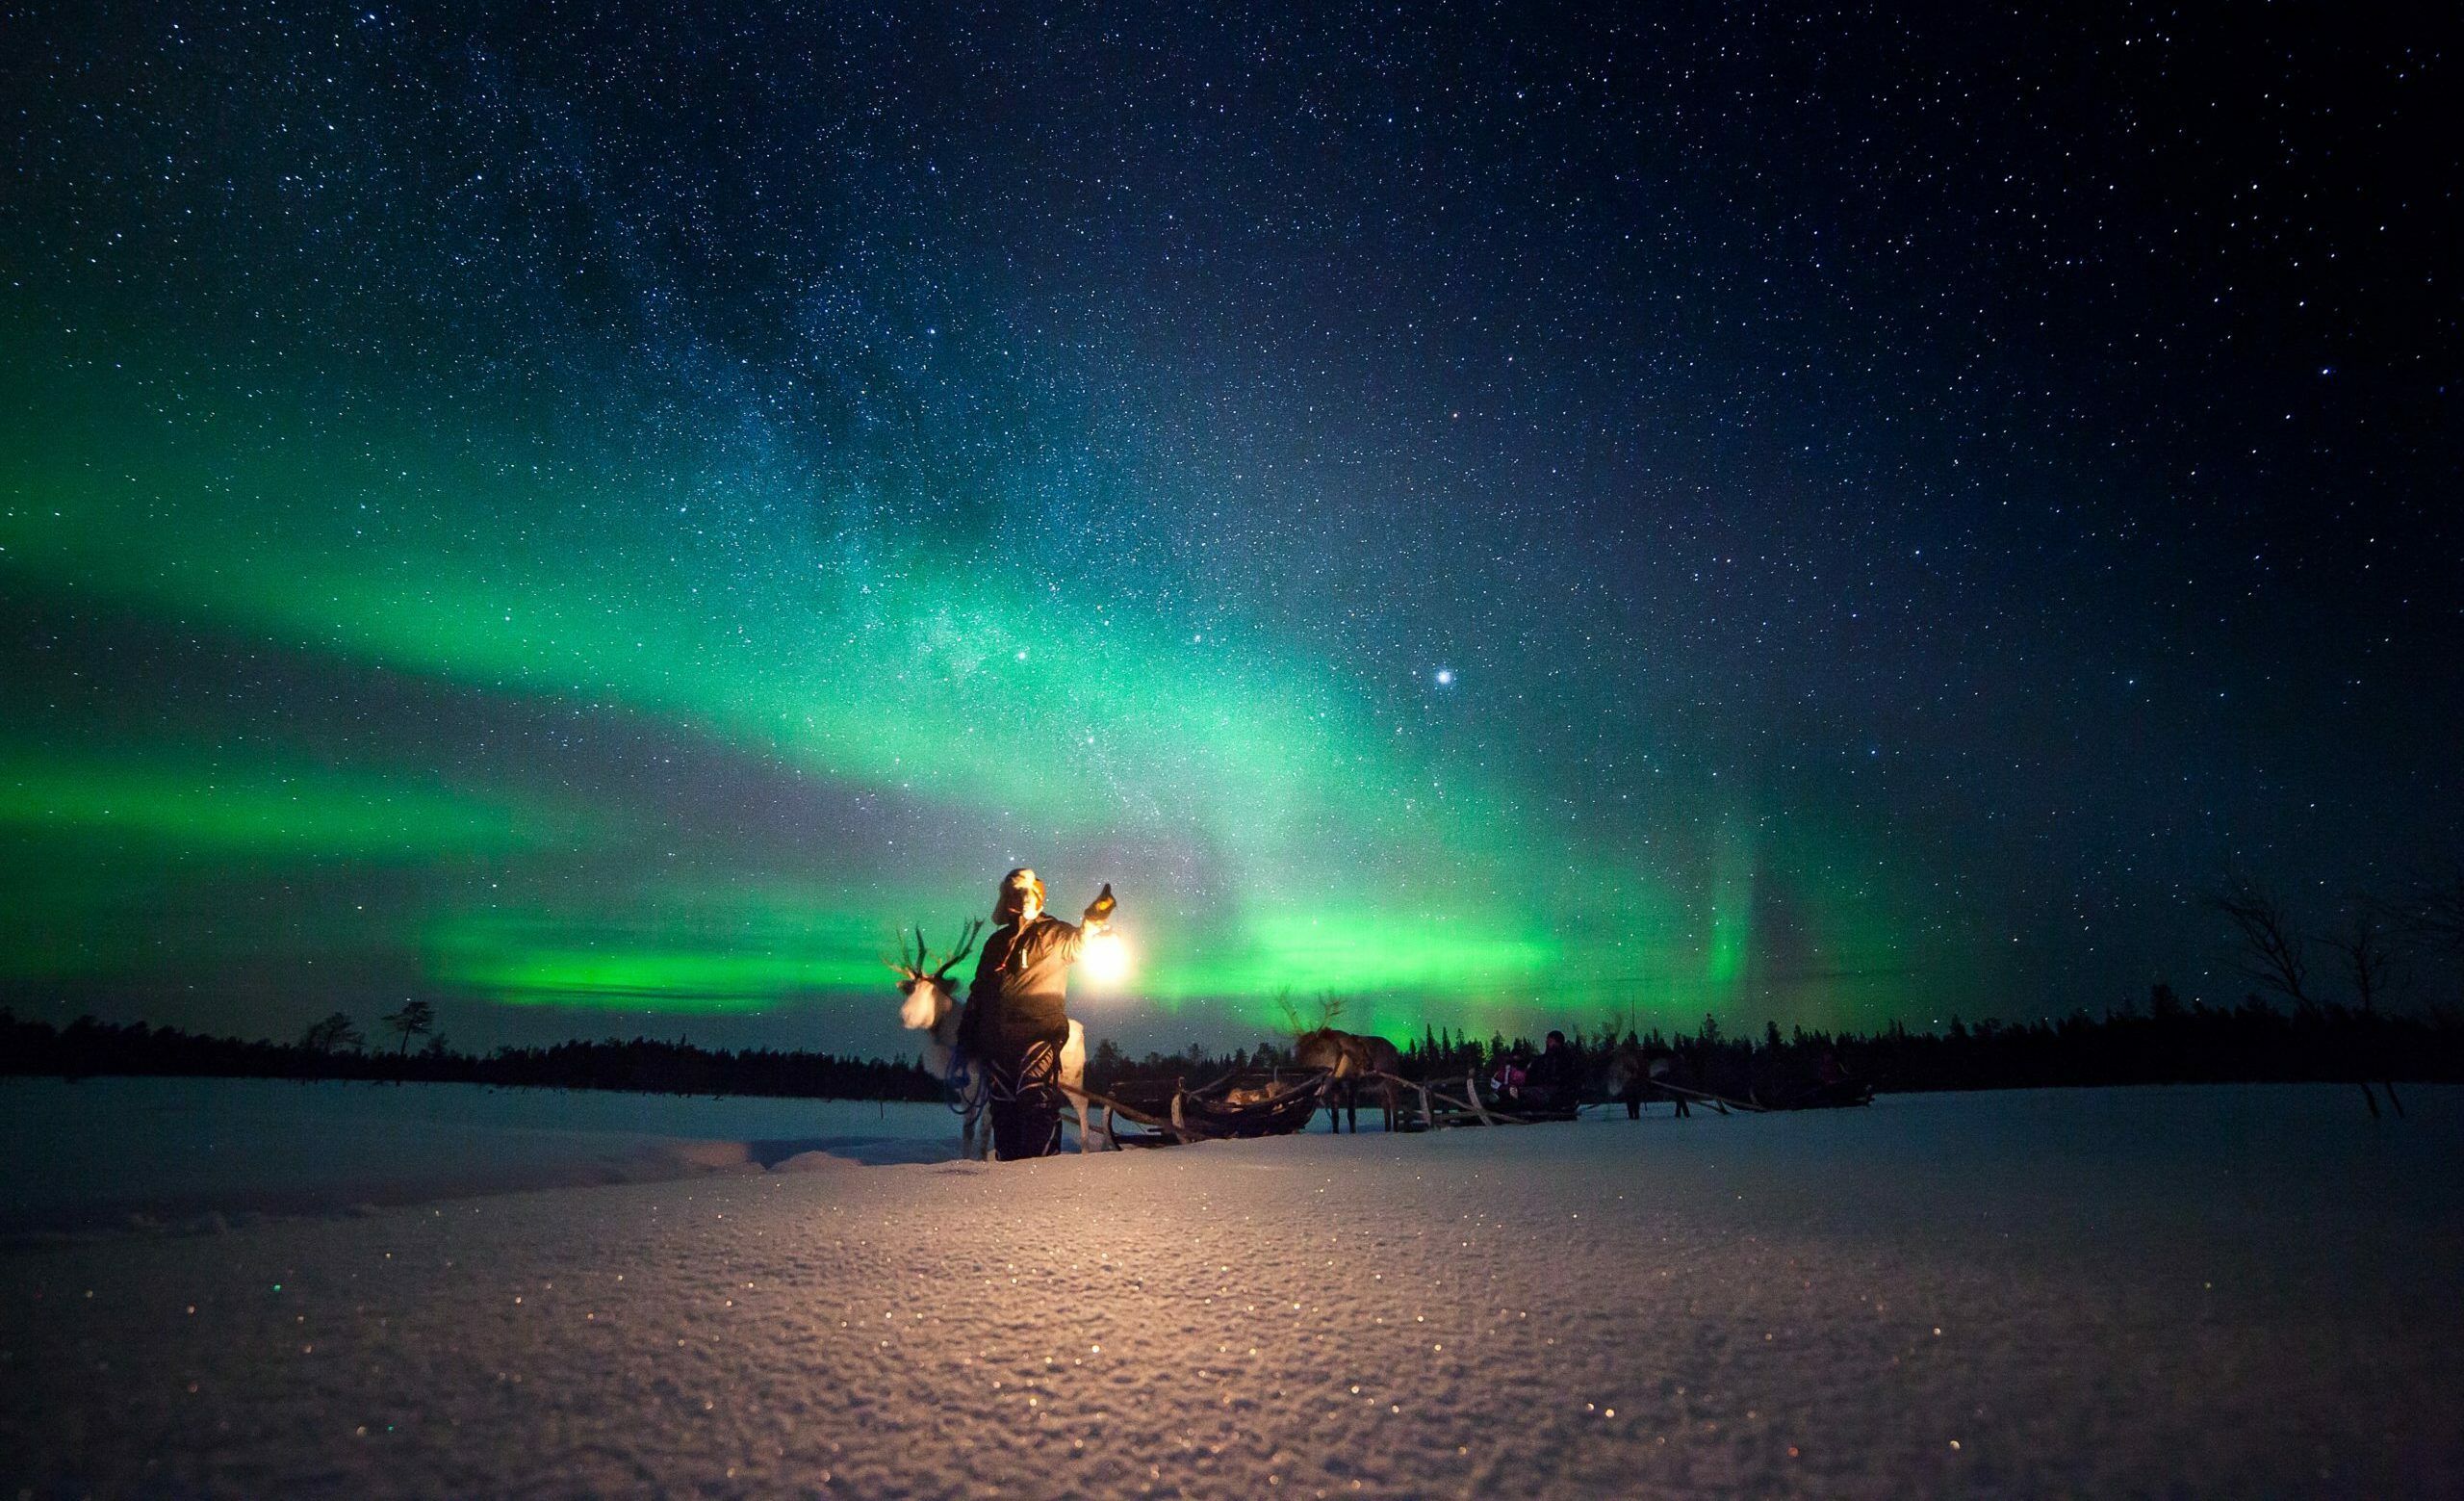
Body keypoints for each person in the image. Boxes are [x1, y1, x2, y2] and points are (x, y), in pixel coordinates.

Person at [958, 868, 1113, 1160]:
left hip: (1039, 1033)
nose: (1018, 899)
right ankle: (1011, 1176)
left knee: (1035, 1097)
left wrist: (1094, 919)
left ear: (1037, 895)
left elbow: (1080, 943)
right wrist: (967, 1033)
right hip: (998, 1042)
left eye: (1024, 892)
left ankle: (1040, 1173)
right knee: (1003, 1107)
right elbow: (979, 991)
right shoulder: (995, 944)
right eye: (1012, 894)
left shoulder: (1053, 933)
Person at [1522, 1029, 1579, 1114]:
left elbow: (1570, 1076)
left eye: (1551, 1041)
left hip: (1557, 1090)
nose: (1547, 1043)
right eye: (1547, 1041)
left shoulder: (1566, 1059)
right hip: (1542, 1088)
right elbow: (1531, 1075)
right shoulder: (1541, 1060)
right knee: (1520, 1092)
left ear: (1558, 1042)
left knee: (1527, 1093)